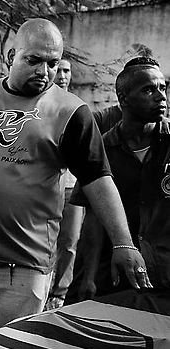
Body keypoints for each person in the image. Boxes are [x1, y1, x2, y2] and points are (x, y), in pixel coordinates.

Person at [0, 18, 151, 349]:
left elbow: (99, 180)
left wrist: (124, 243)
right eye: (34, 60)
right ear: (12, 55)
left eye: (53, 63)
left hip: (23, 270)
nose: (45, 70)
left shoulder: (71, 112)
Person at [67, 57, 168, 314]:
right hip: (115, 273)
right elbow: (94, 218)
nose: (160, 97)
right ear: (123, 98)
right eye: (148, 90)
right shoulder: (103, 149)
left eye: (162, 88)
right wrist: (88, 276)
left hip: (165, 275)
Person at [45, 58, 85, 309]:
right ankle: (43, 284)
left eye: (67, 71)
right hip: (49, 187)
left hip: (74, 187)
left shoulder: (79, 109)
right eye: (58, 69)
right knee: (47, 239)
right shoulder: (45, 107)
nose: (62, 75)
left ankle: (60, 293)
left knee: (70, 241)